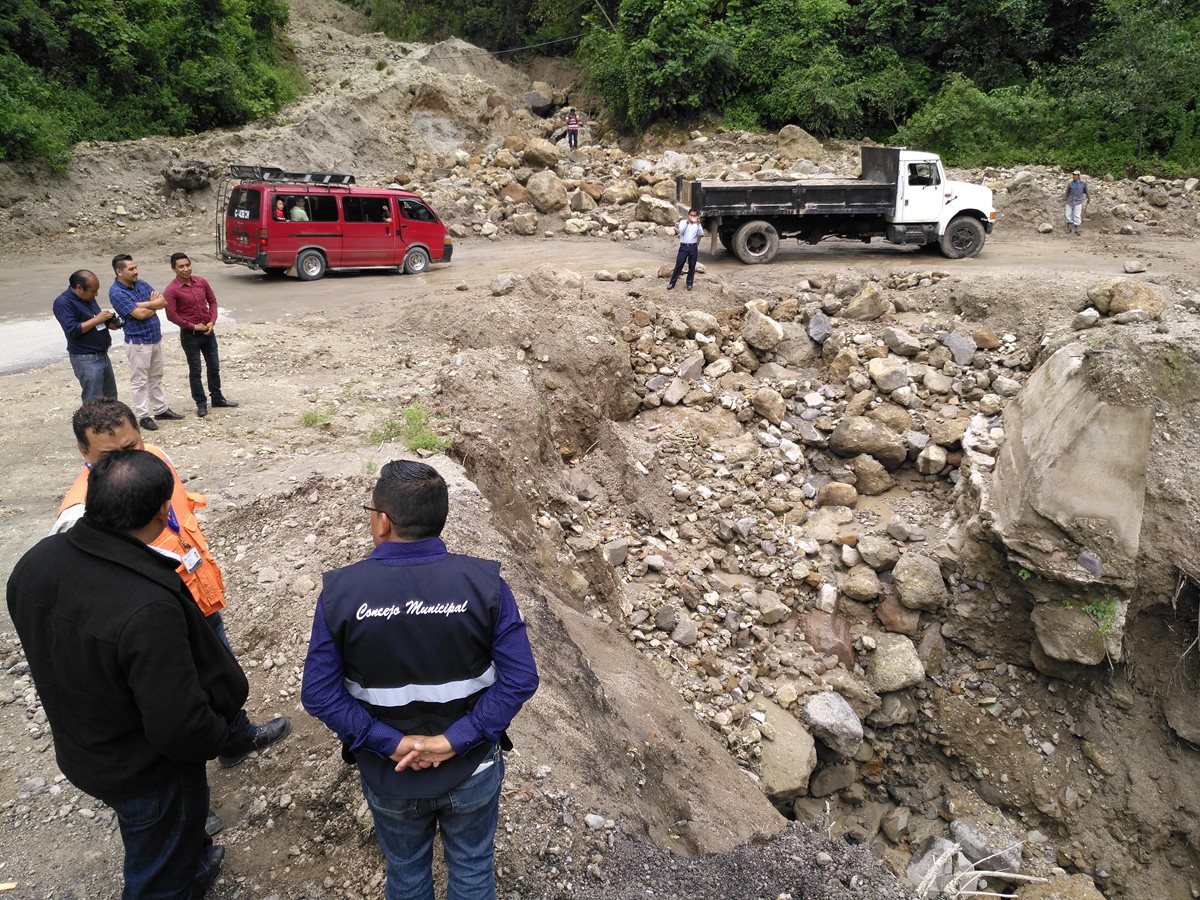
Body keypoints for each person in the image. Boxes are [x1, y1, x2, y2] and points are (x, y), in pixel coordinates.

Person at [8, 449, 249, 898]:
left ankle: (195, 865)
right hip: (145, 770)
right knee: (156, 864)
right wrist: (220, 734)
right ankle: (178, 877)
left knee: (170, 837)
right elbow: (180, 726)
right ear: (162, 512)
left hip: (84, 742)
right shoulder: (146, 606)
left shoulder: (34, 563)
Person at [302, 460, 539, 900]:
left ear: (383, 522)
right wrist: (455, 740)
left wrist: (389, 743)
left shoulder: (341, 593)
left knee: (407, 874)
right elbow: (520, 678)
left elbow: (318, 693)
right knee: (471, 867)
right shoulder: (485, 584)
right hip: (472, 766)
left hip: (389, 772)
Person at [53, 399, 291, 778]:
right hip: (151, 626)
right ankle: (185, 795)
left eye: (132, 449)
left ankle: (235, 739)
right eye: (109, 456)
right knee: (172, 705)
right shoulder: (80, 513)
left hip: (196, 595)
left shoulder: (157, 459)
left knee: (218, 674)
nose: (127, 462)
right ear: (83, 452)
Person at [109, 254, 182, 431]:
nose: (136, 271)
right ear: (119, 272)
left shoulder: (141, 284)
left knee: (156, 377)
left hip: (154, 338)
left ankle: (160, 409)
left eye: (135, 267)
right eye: (131, 269)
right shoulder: (117, 292)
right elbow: (139, 315)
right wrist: (152, 304)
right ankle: (143, 416)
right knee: (140, 381)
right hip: (138, 342)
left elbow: (163, 302)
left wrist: (144, 304)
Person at [164, 253, 239, 418]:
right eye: (181, 266)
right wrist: (192, 326)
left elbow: (212, 301)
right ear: (174, 269)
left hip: (208, 331)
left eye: (188, 265)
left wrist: (212, 321)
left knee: (214, 366)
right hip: (190, 335)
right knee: (195, 370)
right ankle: (201, 403)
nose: (186, 269)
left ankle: (217, 398)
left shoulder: (201, 281)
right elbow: (171, 315)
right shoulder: (171, 290)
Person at [52, 269, 121, 402]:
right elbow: (73, 330)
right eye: (93, 291)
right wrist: (98, 319)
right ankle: (93, 424)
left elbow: (94, 319)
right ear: (79, 288)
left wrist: (109, 323)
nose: (95, 295)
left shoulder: (87, 297)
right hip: (86, 358)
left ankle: (110, 423)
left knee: (110, 399)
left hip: (102, 355)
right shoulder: (63, 303)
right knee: (94, 401)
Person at [667, 208, 704, 291]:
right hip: (683, 247)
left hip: (693, 247)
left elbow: (701, 234)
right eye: (691, 215)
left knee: (692, 266)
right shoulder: (683, 222)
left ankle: (689, 284)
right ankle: (672, 283)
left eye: (694, 216)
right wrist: (688, 222)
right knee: (679, 265)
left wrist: (698, 224)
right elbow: (681, 231)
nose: (692, 217)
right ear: (688, 215)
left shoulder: (697, 225)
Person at [1064, 169, 1090, 235]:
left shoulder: (1083, 183)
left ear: (1078, 176)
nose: (1074, 176)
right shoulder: (1070, 183)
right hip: (1070, 201)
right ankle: (1069, 227)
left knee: (1077, 215)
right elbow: (1067, 192)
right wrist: (1064, 198)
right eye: (1073, 175)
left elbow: (1086, 191)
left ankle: (1077, 229)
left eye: (1075, 175)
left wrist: (1088, 197)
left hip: (1078, 201)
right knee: (1068, 214)